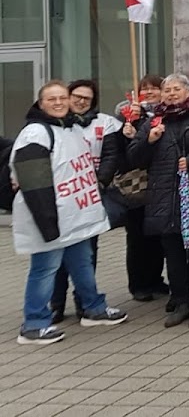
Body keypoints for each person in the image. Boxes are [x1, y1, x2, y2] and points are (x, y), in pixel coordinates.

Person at [11, 80, 127, 345]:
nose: (59, 103)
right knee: (45, 268)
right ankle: (34, 323)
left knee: (82, 262)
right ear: (41, 104)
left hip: (75, 217)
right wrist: (48, 222)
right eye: (51, 99)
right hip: (51, 218)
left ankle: (93, 308)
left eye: (62, 98)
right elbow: (33, 182)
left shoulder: (71, 128)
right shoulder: (36, 134)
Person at [127, 74, 189, 329]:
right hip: (164, 197)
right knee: (173, 254)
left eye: (176, 89)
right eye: (167, 90)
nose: (171, 93)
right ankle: (181, 301)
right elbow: (134, 158)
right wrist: (149, 140)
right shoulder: (154, 122)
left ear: (188, 90)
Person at [50, 80, 122, 323]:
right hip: (60, 199)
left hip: (89, 198)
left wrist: (99, 182)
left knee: (87, 253)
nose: (81, 101)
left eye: (87, 98)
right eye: (77, 96)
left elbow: (112, 155)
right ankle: (55, 304)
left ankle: (85, 302)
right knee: (56, 253)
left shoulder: (105, 123)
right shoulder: (56, 125)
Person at [116, 75, 170, 303]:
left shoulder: (167, 113)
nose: (149, 93)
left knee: (158, 234)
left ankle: (156, 279)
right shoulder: (127, 114)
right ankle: (138, 283)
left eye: (154, 89)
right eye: (144, 89)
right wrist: (132, 126)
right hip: (137, 184)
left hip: (160, 182)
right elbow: (125, 150)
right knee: (137, 236)